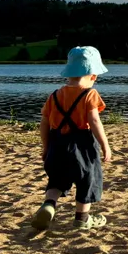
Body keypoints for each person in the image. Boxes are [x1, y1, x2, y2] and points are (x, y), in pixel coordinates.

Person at [31, 46, 112, 231]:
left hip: (57, 144)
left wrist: (46, 147)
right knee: (87, 180)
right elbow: (95, 121)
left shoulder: (55, 95)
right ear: (93, 75)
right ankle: (82, 219)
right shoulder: (90, 94)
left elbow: (44, 123)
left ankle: (49, 206)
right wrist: (105, 146)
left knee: (57, 179)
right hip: (82, 144)